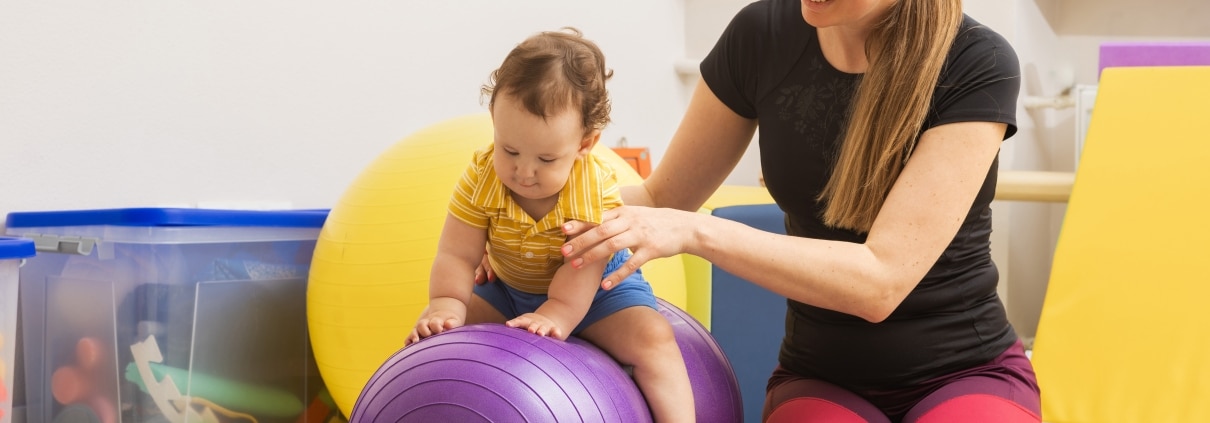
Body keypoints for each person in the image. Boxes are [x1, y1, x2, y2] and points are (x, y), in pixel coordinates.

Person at [556, 1, 1042, 422]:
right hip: (824, 375)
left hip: (966, 370)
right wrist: (518, 214)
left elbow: (880, 282)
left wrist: (697, 233)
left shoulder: (976, 59)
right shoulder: (760, 36)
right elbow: (660, 200)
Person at [404, 27, 695, 423]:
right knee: (437, 339)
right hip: (508, 289)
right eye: (510, 150)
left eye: (545, 159)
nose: (524, 171)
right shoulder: (481, 175)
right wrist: (446, 303)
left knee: (654, 339)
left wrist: (557, 313)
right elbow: (457, 252)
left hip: (595, 291)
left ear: (584, 145)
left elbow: (584, 262)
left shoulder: (592, 188)